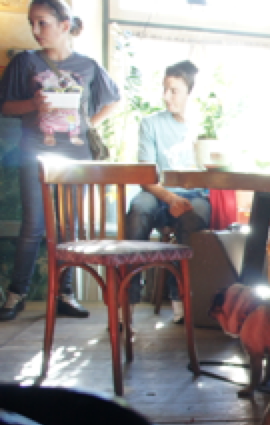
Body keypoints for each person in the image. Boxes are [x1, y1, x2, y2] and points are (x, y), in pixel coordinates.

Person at [0, 0, 121, 322]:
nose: (35, 30)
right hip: (35, 152)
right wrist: (33, 104)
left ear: (65, 25)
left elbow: (114, 100)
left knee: (70, 227)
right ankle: (16, 294)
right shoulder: (25, 62)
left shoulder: (89, 66)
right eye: (32, 23)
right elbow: (5, 106)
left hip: (77, 157)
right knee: (33, 225)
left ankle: (65, 294)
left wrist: (88, 124)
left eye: (42, 22)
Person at [125, 60, 211, 324]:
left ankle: (180, 297)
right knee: (138, 210)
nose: (166, 96)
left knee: (196, 213)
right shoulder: (150, 124)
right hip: (157, 193)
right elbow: (145, 176)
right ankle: (127, 300)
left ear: (190, 93)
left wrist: (183, 198)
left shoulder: (204, 126)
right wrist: (171, 198)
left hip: (192, 194)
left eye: (174, 91)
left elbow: (211, 172)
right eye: (165, 89)